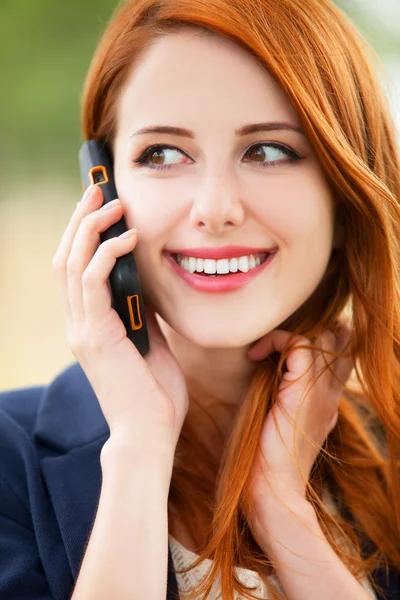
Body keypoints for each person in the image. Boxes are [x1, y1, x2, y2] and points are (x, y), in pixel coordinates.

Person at [1, 0, 400, 598]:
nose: (215, 209)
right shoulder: (9, 459)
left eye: (267, 150)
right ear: (103, 187)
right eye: (163, 154)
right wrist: (138, 449)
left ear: (344, 200)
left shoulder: (391, 458)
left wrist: (283, 512)